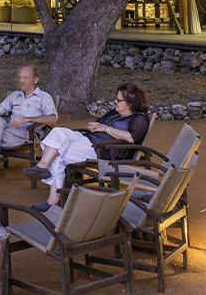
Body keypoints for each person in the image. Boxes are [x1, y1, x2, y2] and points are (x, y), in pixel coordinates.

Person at [27, 82, 151, 211]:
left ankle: (52, 199)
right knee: (57, 132)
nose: (115, 102)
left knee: (58, 153)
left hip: (101, 150)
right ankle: (43, 166)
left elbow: (131, 138)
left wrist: (106, 129)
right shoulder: (115, 113)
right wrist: (94, 126)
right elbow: (99, 124)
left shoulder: (139, 119)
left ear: (130, 103)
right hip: (86, 139)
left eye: (119, 100)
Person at [0, 65, 59, 177]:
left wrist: (27, 119)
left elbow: (52, 119)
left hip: (27, 133)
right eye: (20, 77)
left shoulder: (44, 97)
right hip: (9, 131)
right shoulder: (14, 96)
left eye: (25, 78)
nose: (21, 81)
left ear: (35, 79)